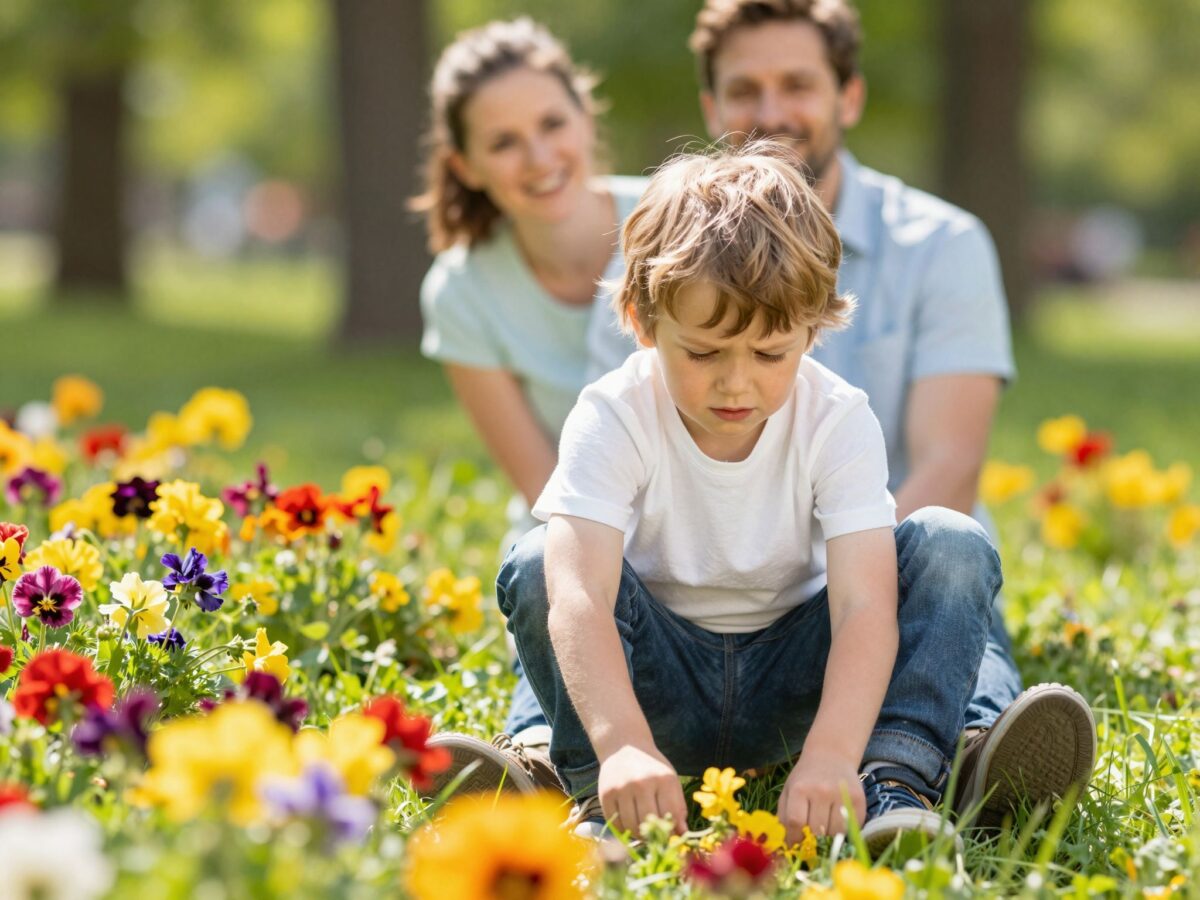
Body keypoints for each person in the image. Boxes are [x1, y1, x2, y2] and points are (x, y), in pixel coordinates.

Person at [587, 0, 1097, 829]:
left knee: (948, 547)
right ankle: (546, 756)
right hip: (693, 590)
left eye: (798, 83)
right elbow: (607, 492)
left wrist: (808, 583)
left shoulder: (943, 242)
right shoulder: (660, 252)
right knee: (546, 556)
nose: (771, 111)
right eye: (745, 89)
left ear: (848, 95)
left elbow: (950, 467)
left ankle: (962, 750)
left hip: (866, 563)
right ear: (713, 108)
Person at [500, 142, 995, 851]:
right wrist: (623, 745)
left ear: (814, 328)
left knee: (953, 544)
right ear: (643, 323)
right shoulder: (612, 413)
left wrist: (828, 753)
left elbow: (862, 606)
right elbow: (579, 595)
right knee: (541, 558)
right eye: (702, 353)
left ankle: (892, 780)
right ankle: (602, 800)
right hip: (656, 681)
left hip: (798, 678)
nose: (737, 384)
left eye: (770, 355)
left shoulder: (838, 416)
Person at [413, 18, 646, 794]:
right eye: (505, 141)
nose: (540, 157)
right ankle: (535, 753)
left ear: (586, 117)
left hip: (712, 501)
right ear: (466, 165)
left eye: (552, 124)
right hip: (579, 517)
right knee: (548, 557)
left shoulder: (672, 220)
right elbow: (546, 487)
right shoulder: (463, 288)